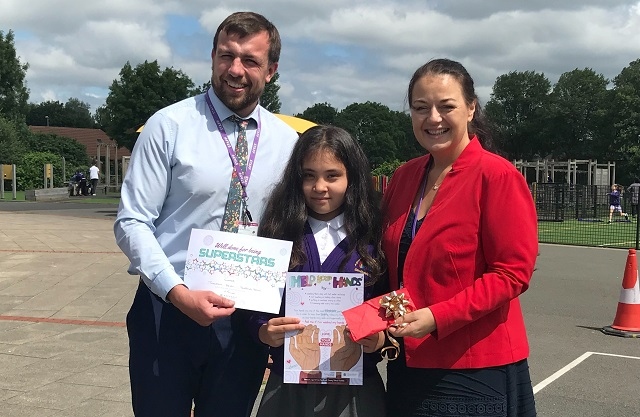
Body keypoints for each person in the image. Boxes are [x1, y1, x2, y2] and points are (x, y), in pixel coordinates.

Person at [114, 11, 298, 417]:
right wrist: (178, 293)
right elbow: (131, 222)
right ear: (213, 57)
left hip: (244, 316)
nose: (235, 70)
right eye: (225, 56)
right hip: (168, 308)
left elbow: (292, 229)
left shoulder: (288, 143)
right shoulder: (169, 126)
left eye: (250, 60)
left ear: (271, 70)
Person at [382, 58, 538, 416]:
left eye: (446, 106)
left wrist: (438, 317)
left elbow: (512, 274)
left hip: (472, 368)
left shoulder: (497, 177)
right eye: (420, 108)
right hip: (407, 361)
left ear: (471, 109)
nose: (432, 118)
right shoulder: (404, 178)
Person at [253, 125, 388, 417]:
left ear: (352, 178)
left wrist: (379, 339)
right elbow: (256, 306)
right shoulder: (278, 231)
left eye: (332, 176)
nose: (320, 187)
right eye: (309, 175)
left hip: (356, 385)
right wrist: (264, 331)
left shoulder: (373, 234)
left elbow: (389, 301)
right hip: (289, 384)